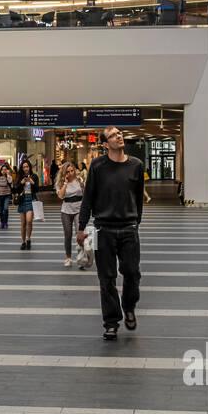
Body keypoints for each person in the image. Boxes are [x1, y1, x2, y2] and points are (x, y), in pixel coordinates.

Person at [76, 126, 145, 340]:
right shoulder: (97, 166)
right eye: (114, 135)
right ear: (105, 144)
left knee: (132, 273)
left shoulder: (136, 165)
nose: (119, 136)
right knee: (106, 278)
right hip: (103, 229)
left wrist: (136, 223)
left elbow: (138, 199)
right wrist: (81, 227)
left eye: (119, 133)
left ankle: (129, 305)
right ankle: (111, 322)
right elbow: (88, 198)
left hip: (128, 228)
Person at [56, 162, 84, 267]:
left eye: (72, 171)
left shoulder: (79, 180)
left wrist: (83, 187)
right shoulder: (60, 182)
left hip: (78, 208)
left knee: (79, 234)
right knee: (68, 235)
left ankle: (81, 258)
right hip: (66, 210)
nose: (71, 173)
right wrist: (65, 183)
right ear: (64, 173)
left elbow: (85, 195)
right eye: (68, 172)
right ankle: (68, 258)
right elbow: (60, 196)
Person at [16, 158, 39, 250]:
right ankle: (23, 241)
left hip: (30, 199)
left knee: (29, 221)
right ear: (22, 168)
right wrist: (21, 183)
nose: (26, 168)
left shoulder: (34, 176)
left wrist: (32, 183)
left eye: (27, 166)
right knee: (23, 223)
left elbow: (37, 190)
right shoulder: (19, 177)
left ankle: (29, 239)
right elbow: (15, 190)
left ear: (29, 167)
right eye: (24, 167)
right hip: (22, 200)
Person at [0, 164, 13, 229]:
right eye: (3, 170)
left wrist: (7, 175)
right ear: (1, 170)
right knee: (0, 210)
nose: (4, 171)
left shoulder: (9, 177)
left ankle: (6, 222)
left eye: (5, 169)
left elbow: (10, 182)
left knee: (5, 208)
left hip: (7, 195)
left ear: (7, 170)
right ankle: (2, 222)